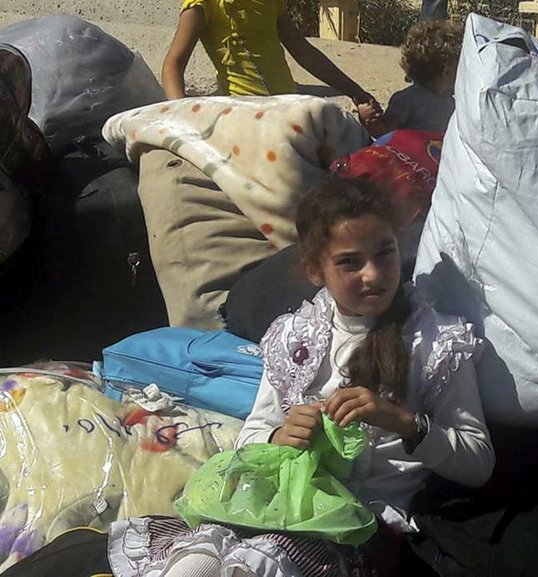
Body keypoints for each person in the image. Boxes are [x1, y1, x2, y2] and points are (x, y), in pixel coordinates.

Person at [107, 176, 495, 577]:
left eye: (385, 254)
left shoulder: (435, 342)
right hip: (280, 500)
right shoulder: (296, 334)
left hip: (359, 525)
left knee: (258, 564)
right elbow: (254, 432)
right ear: (315, 269)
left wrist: (402, 423)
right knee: (196, 560)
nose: (374, 275)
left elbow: (477, 462)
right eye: (349, 262)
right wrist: (281, 436)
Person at [162, 0, 380, 118]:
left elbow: (304, 52)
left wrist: (355, 92)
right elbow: (173, 65)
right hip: (246, 113)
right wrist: (183, 117)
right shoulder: (203, 4)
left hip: (290, 107)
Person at [364, 20, 462, 138]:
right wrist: (371, 123)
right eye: (462, 66)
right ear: (446, 70)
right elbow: (385, 134)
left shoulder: (450, 102)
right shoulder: (408, 100)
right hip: (411, 154)